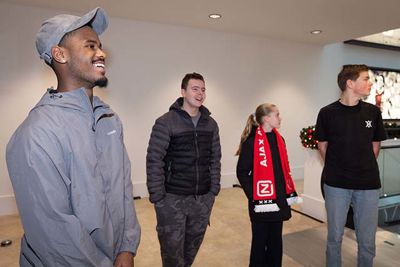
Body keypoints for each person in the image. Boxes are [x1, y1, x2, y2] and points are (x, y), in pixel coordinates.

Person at [6, 7, 140, 266]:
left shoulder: (109, 120)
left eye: (100, 46)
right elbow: (54, 234)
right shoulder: (35, 134)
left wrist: (126, 247)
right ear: (60, 54)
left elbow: (123, 190)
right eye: (90, 46)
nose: (101, 53)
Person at [146, 72, 221, 267]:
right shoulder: (166, 121)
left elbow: (215, 159)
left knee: (191, 250)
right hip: (173, 199)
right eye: (195, 89)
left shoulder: (211, 124)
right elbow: (155, 159)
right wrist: (158, 197)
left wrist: (213, 191)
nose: (200, 93)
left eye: (203, 89)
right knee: (172, 253)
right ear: (183, 92)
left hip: (202, 199)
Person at [315, 64, 386, 267]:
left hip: (368, 184)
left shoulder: (372, 112)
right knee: (334, 238)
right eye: (365, 78)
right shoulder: (327, 113)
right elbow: (322, 145)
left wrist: (362, 165)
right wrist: (340, 166)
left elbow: (375, 145)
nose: (370, 83)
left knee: (367, 241)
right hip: (336, 184)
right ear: (350, 83)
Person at [236, 103, 301, 267]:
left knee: (275, 242)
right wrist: (254, 195)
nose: (280, 118)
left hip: (278, 200)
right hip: (261, 203)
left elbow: (282, 169)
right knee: (259, 242)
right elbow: (242, 172)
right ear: (266, 118)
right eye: (277, 115)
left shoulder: (280, 139)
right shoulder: (251, 143)